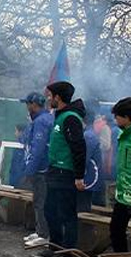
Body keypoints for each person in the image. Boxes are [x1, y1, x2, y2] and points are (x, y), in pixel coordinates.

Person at [40, 81, 86, 255]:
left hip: (66, 173)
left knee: (66, 214)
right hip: (55, 171)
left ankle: (67, 251)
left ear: (57, 97)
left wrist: (79, 176)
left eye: (50, 96)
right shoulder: (60, 116)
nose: (48, 99)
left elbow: (78, 147)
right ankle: (55, 247)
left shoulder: (70, 118)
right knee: (50, 211)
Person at [20, 92, 54, 248]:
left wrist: (30, 170)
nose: (26, 107)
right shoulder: (42, 119)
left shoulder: (42, 121)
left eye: (28, 104)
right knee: (39, 200)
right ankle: (40, 229)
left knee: (41, 202)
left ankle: (43, 234)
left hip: (41, 169)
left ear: (34, 104)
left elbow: (38, 148)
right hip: (42, 168)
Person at [109, 97, 131, 253]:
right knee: (116, 230)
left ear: (127, 117)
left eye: (117, 116)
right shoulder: (124, 136)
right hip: (124, 195)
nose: (115, 119)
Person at [9, 123, 28, 188]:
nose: (15, 133)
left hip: (20, 180)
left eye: (16, 131)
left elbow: (19, 166)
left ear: (21, 132)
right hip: (16, 177)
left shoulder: (24, 145)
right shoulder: (18, 144)